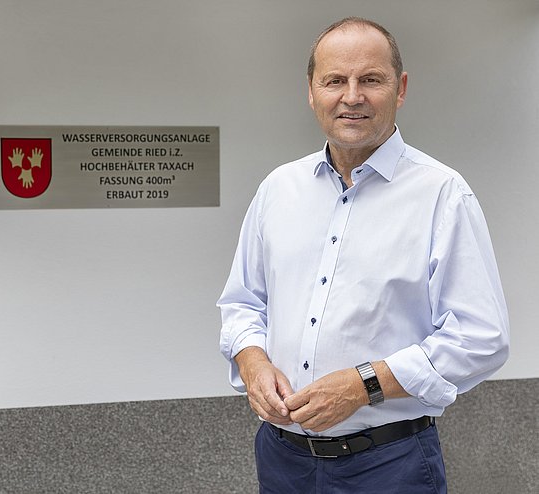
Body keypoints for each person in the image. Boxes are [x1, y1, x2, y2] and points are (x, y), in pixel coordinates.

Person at [217, 17, 509, 493]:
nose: (351, 96)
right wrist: (252, 362)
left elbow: (482, 337)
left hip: (388, 466)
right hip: (282, 459)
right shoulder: (278, 189)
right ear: (312, 91)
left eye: (371, 79)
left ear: (401, 88)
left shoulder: (442, 194)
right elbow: (243, 303)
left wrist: (363, 385)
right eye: (334, 80)